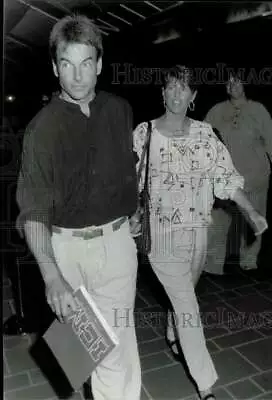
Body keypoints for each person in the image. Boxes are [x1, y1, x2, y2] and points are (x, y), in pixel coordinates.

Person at [16, 14, 141, 400]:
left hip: (117, 245)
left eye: (86, 63)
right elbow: (34, 208)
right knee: (80, 354)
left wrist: (132, 209)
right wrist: (52, 276)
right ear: (55, 68)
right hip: (67, 250)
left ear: (99, 64)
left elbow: (126, 167)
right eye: (67, 64)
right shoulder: (42, 129)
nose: (77, 76)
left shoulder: (119, 110)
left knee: (116, 346)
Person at [130, 65, 268, 400]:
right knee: (189, 308)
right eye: (171, 87)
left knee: (184, 299)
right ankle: (206, 386)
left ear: (193, 97)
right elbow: (127, 183)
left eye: (184, 89)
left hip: (198, 235)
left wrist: (251, 212)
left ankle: (171, 325)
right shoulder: (144, 133)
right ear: (163, 93)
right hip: (162, 236)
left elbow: (225, 178)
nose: (177, 94)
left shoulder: (206, 134)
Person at [204, 74, 272, 274]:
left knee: (254, 219)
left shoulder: (258, 110)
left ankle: (249, 258)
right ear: (225, 87)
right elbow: (203, 138)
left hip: (255, 175)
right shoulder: (216, 111)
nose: (233, 85)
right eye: (229, 82)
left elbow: (271, 138)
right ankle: (212, 263)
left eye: (237, 81)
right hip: (224, 177)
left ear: (245, 84)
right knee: (217, 218)